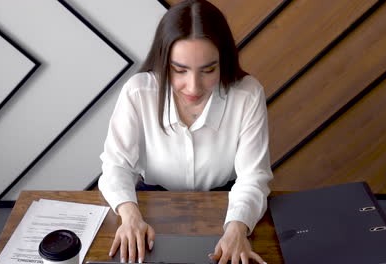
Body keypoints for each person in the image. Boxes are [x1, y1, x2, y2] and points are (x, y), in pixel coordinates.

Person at [99, 0, 273, 263]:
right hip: (150, 207)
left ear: (223, 61)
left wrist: (237, 228)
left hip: (227, 206)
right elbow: (116, 166)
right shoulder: (138, 92)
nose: (193, 87)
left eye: (208, 70)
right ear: (163, 61)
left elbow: (253, 177)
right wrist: (130, 216)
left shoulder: (247, 95)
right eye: (179, 70)